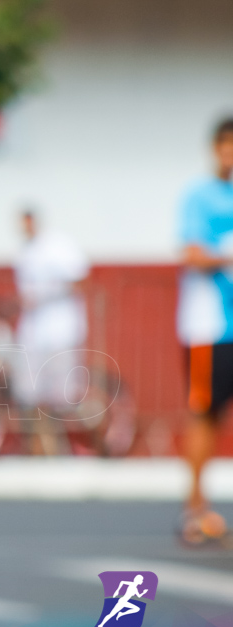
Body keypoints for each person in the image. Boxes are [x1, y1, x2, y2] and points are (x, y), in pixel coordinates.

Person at [175, 117, 233, 547]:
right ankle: (194, 509)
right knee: (205, 415)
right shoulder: (200, 196)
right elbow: (191, 253)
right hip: (209, 328)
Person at [12, 209, 90, 455]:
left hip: (60, 332)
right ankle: (42, 450)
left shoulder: (58, 245)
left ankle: (66, 447)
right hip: (33, 335)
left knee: (63, 399)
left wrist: (44, 296)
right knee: (32, 397)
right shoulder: (26, 252)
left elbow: (78, 280)